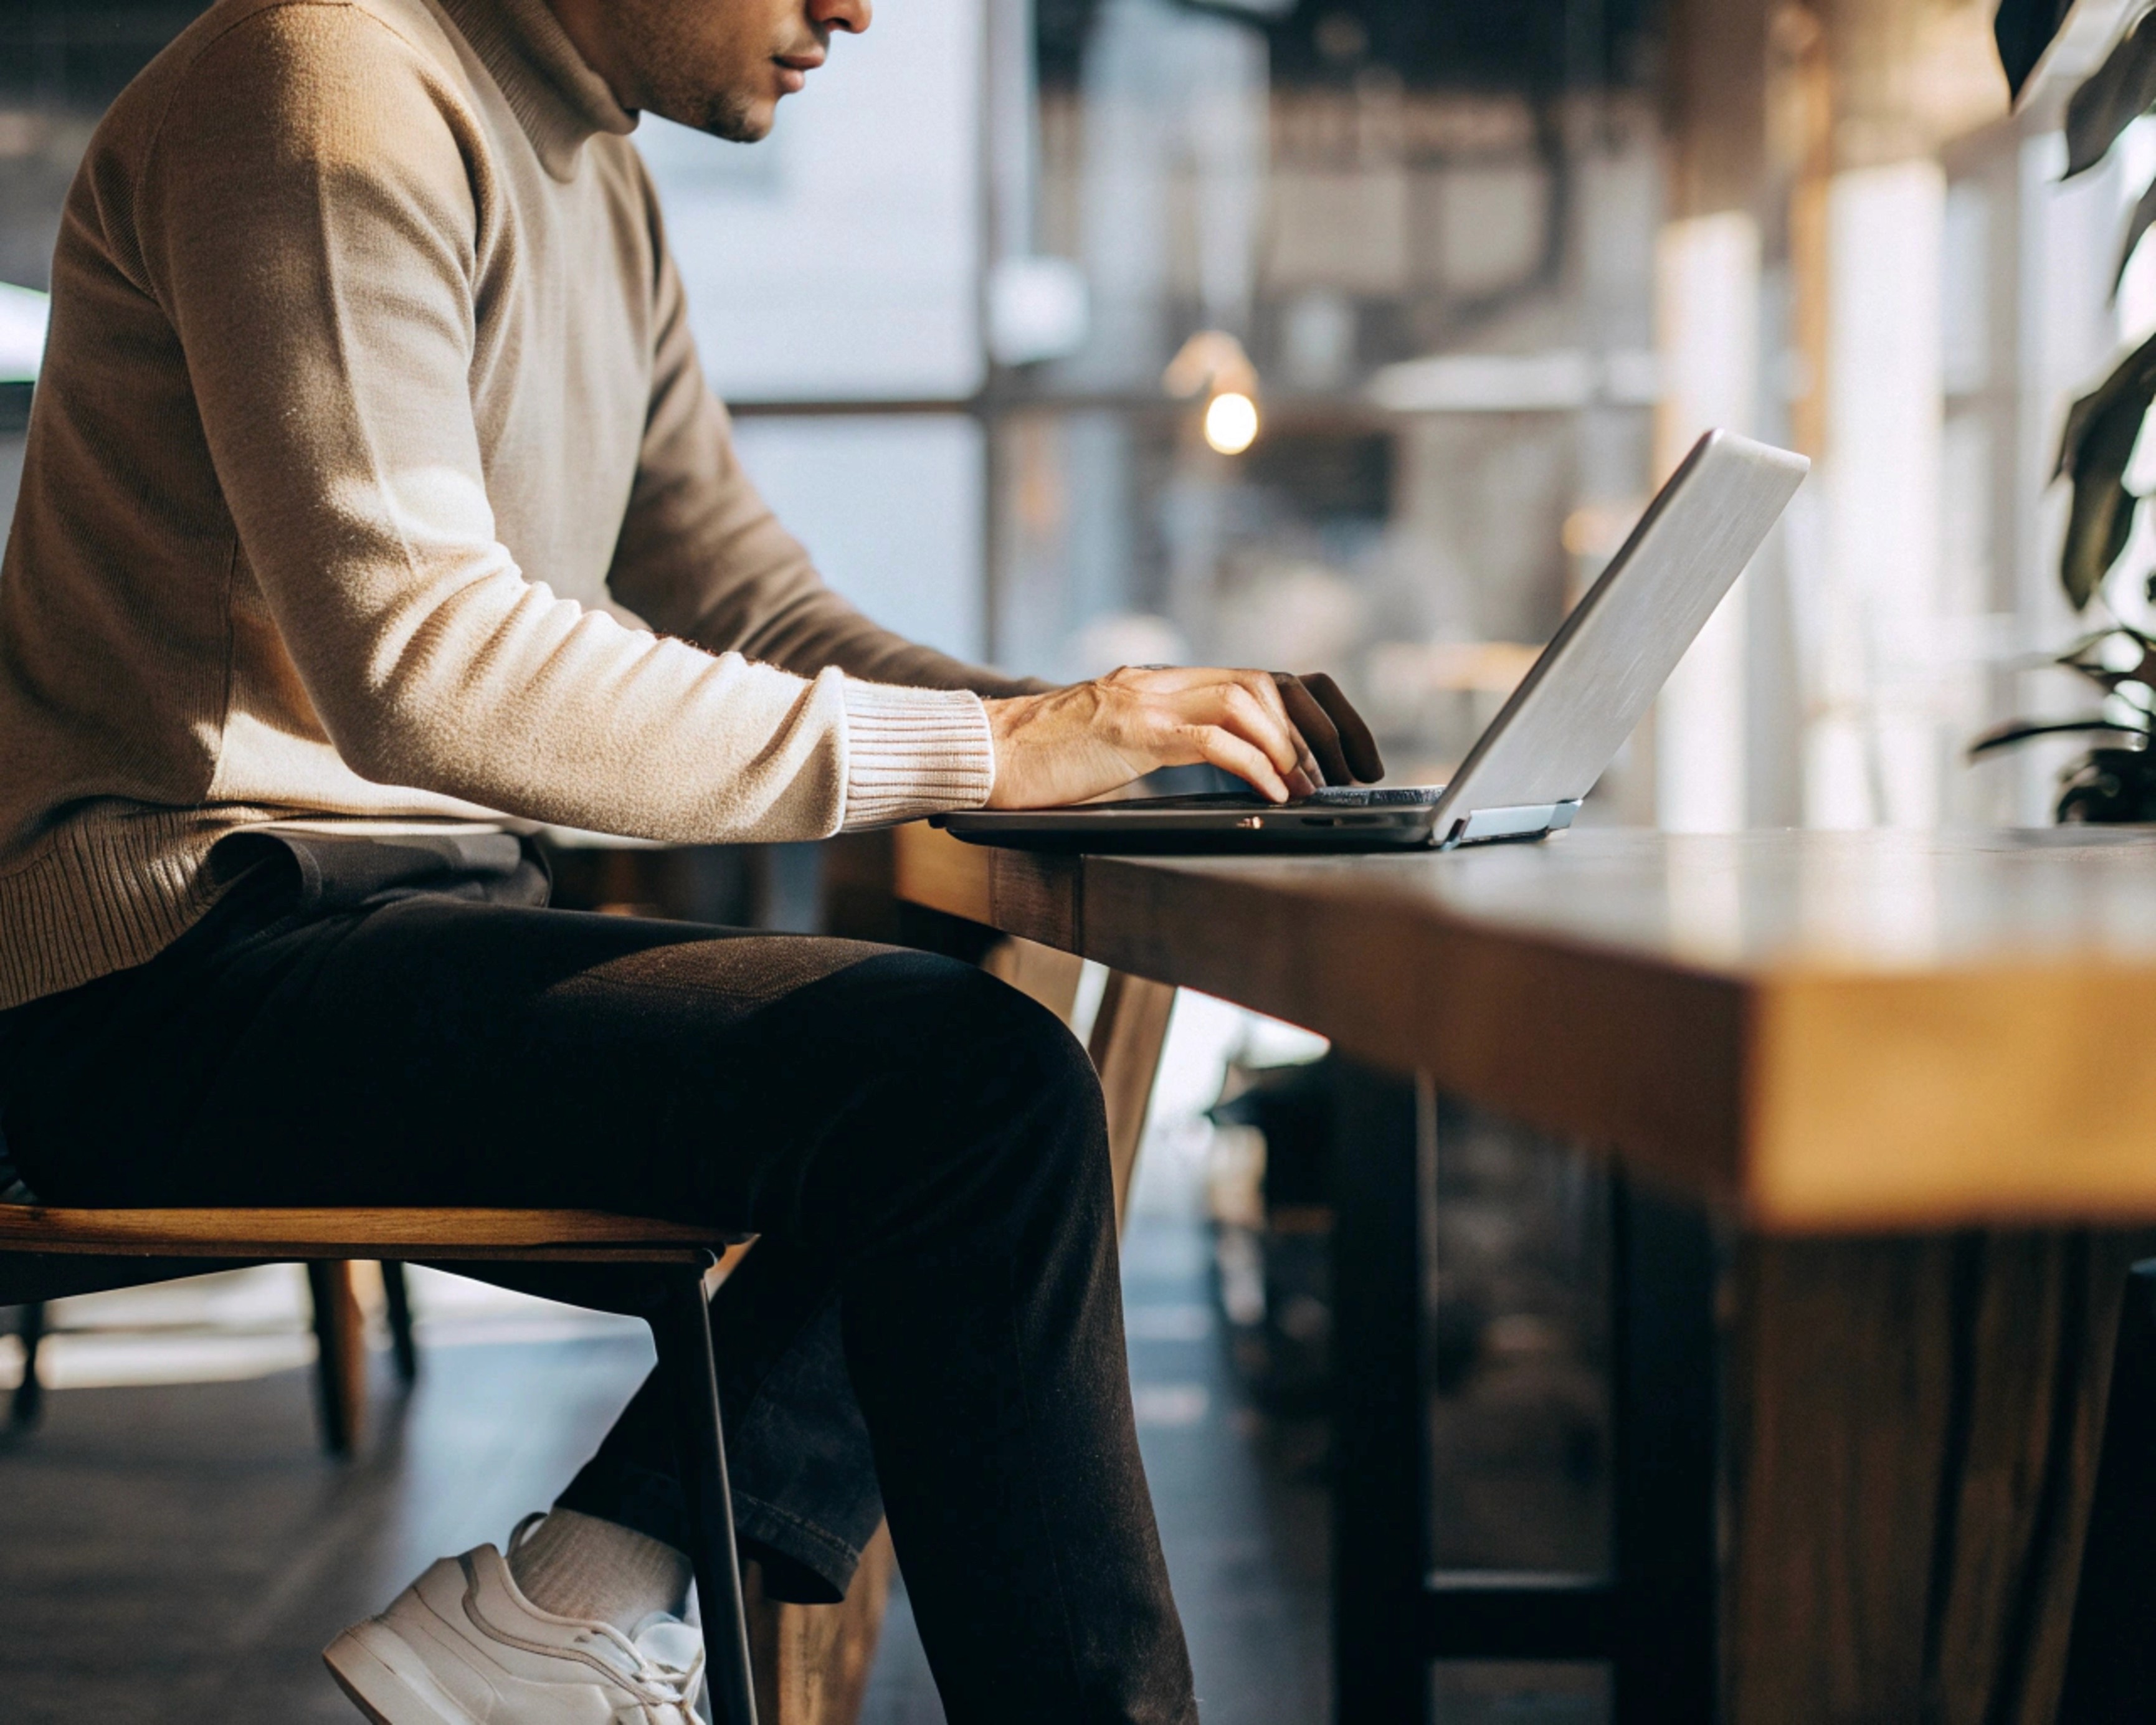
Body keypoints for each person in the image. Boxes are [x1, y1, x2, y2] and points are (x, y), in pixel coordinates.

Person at [0, 0, 1384, 1719]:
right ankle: (584, 1602)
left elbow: (746, 592)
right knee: (965, 1099)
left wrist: (1090, 734)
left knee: (971, 1095)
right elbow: (417, 662)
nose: (858, 10)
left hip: (402, 926)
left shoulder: (597, 167)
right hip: (169, 966)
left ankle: (578, 1596)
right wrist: (1003, 750)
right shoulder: (324, 79)